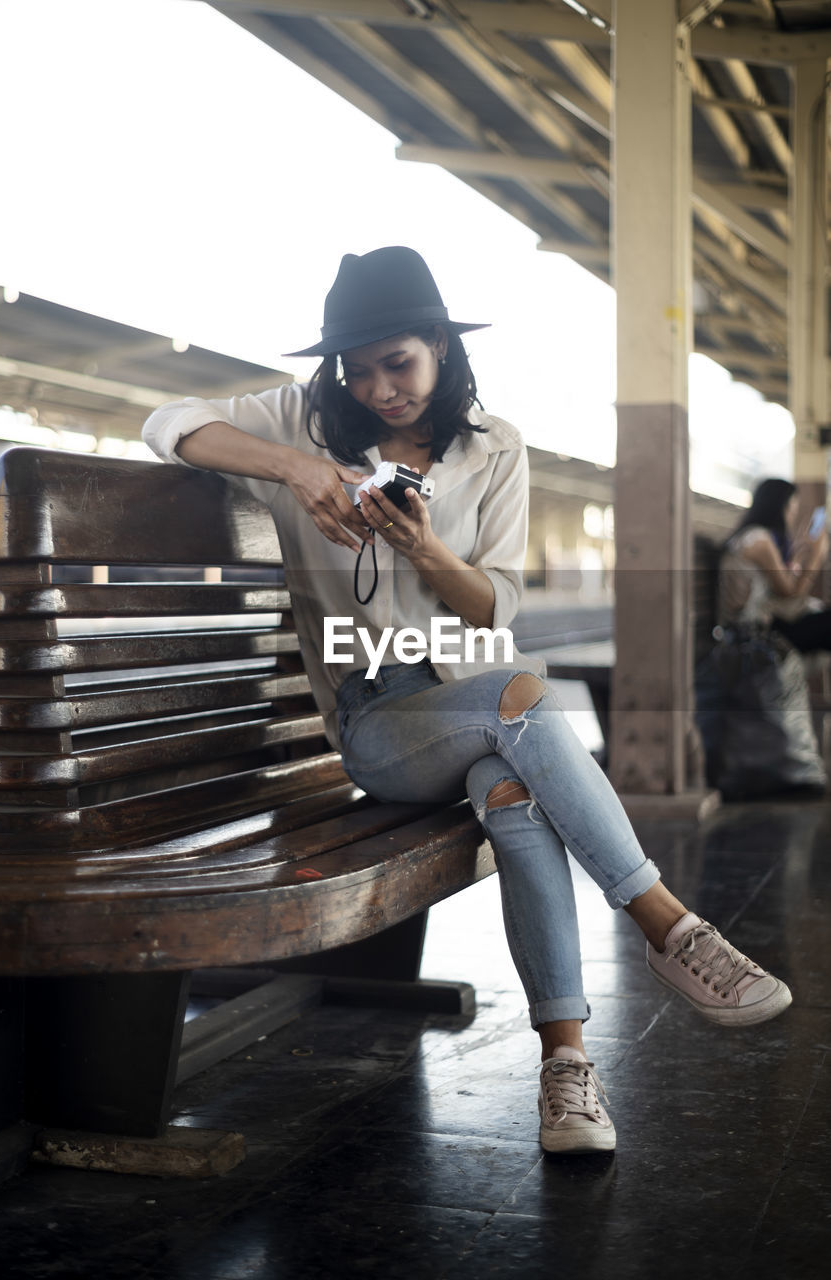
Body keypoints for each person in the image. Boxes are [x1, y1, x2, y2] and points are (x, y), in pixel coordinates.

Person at [142, 246, 792, 1156]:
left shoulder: (496, 448)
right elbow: (167, 420)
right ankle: (666, 925)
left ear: (440, 347)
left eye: (397, 363)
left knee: (512, 788)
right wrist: (297, 469)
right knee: (522, 699)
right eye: (357, 369)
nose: (378, 389)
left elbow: (496, 606)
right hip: (376, 722)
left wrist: (422, 549)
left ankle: (564, 1072)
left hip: (472, 700)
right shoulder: (297, 417)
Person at [719, 477, 830, 648]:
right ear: (780, 508)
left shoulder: (752, 537)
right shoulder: (760, 541)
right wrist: (816, 556)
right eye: (792, 509)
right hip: (753, 630)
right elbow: (790, 592)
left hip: (758, 622)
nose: (793, 516)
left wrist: (797, 556)